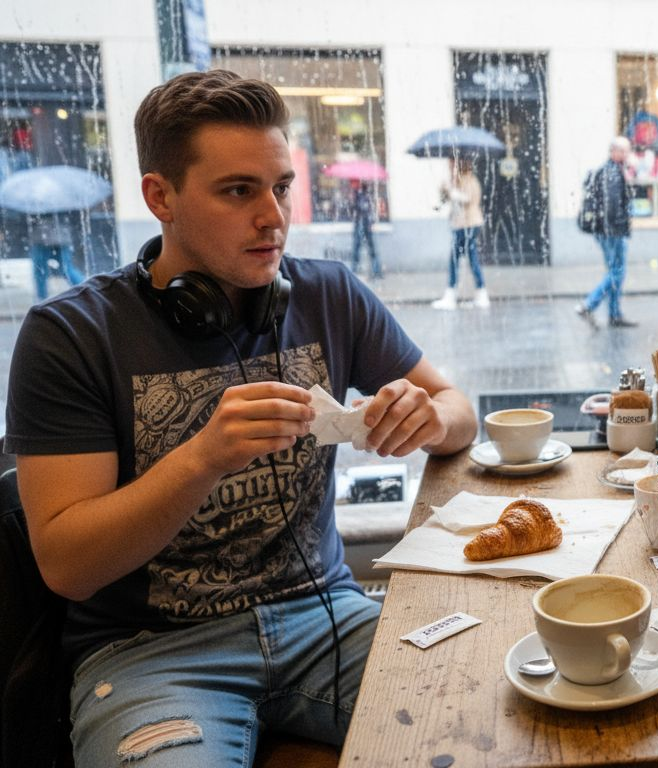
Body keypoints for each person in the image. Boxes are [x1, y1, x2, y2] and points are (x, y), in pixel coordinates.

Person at [3, 70, 478, 766]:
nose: (274, 216)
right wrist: (200, 459)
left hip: (327, 620)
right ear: (159, 196)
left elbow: (461, 411)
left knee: (502, 717)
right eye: (238, 191)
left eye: (281, 186)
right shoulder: (69, 336)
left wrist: (425, 418)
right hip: (152, 654)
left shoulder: (329, 294)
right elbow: (68, 565)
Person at [575, 136, 637, 329]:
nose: (628, 154)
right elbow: (612, 207)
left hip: (607, 231)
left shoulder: (611, 171)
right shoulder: (612, 173)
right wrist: (617, 229)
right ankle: (588, 305)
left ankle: (615, 314)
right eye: (625, 151)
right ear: (615, 152)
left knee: (614, 272)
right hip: (612, 232)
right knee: (617, 273)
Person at [431, 157, 488, 310]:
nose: (449, 168)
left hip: (467, 225)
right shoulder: (457, 181)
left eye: (452, 165)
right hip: (460, 224)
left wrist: (452, 191)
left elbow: (468, 199)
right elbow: (445, 201)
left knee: (456, 259)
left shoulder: (469, 180)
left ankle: (453, 295)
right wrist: (444, 190)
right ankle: (480, 293)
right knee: (470, 257)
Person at [27, 211, 86, 301]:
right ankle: (86, 289)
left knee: (40, 270)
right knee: (66, 268)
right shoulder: (62, 201)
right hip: (60, 234)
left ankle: (41, 299)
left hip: (43, 235)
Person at [348, 179, 382, 279]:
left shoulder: (363, 195)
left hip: (364, 224)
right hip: (362, 224)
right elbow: (353, 211)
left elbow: (364, 209)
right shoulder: (358, 195)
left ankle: (375, 271)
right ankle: (358, 271)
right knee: (358, 249)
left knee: (364, 249)